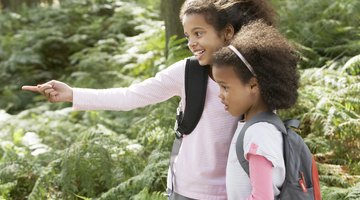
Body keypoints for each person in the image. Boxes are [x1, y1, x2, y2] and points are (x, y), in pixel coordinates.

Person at [22, 1, 277, 199]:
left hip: (239, 189)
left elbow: (263, 131)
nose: (191, 43)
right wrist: (73, 94)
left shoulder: (254, 76)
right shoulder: (186, 72)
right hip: (188, 190)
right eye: (188, 35)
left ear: (227, 33)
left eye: (198, 33)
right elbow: (131, 96)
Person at [212, 20, 300, 199]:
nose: (220, 95)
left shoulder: (259, 133)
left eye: (225, 87)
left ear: (253, 85)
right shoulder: (258, 125)